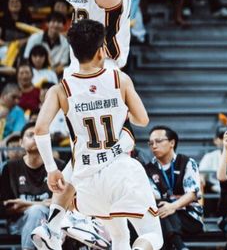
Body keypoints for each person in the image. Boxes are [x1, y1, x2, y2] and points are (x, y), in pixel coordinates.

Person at [32, 19, 161, 250]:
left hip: (87, 181)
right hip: (121, 171)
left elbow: (40, 129)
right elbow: (142, 119)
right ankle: (76, 225)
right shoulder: (119, 79)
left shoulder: (60, 89)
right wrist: (121, 111)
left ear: (73, 52)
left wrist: (51, 169)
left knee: (119, 235)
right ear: (101, 51)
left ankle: (64, 224)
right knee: (152, 235)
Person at [0, 123, 64, 250]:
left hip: (51, 223)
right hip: (19, 223)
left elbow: (62, 204)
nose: (35, 138)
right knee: (36, 211)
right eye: (30, 135)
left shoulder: (58, 167)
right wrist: (44, 203)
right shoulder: (10, 168)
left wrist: (25, 204)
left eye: (39, 136)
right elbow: (7, 206)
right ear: (21, 143)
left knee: (37, 211)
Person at [144, 126, 204, 249]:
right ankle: (180, 246)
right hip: (162, 215)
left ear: (172, 143)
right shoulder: (148, 169)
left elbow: (192, 193)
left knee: (162, 214)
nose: (154, 146)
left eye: (158, 141)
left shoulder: (187, 162)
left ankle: (178, 245)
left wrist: (172, 206)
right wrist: (168, 206)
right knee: (161, 210)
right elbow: (154, 196)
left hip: (189, 216)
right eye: (151, 143)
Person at [199, 126, 225, 194]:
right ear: (215, 140)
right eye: (222, 138)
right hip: (213, 192)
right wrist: (201, 180)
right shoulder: (209, 157)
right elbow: (201, 175)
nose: (224, 141)